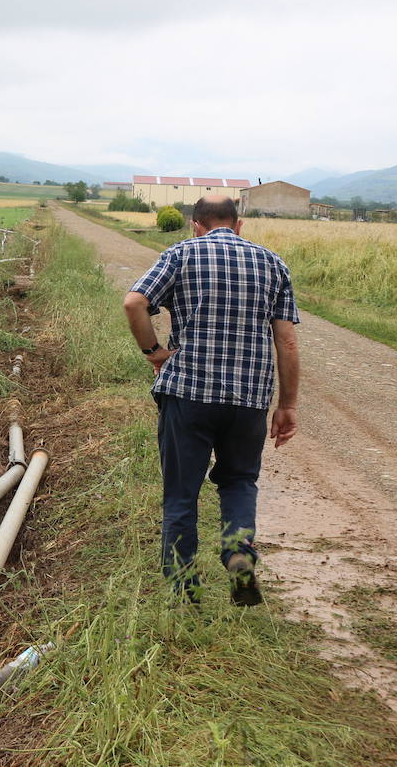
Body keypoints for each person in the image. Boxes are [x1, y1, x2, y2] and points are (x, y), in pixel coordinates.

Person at [122, 195, 300, 606]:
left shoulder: (182, 253)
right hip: (249, 398)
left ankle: (186, 591)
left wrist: (153, 352)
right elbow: (287, 341)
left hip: (188, 394)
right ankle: (238, 554)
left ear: (195, 224)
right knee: (238, 481)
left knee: (182, 493)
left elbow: (134, 302)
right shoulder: (272, 262)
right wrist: (287, 405)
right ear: (238, 225)